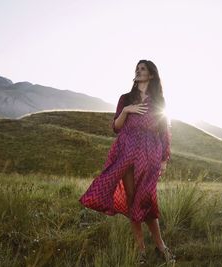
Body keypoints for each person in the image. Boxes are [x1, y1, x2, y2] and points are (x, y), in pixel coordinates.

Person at [79, 59, 175, 265]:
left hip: (150, 151)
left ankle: (161, 246)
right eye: (137, 69)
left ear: (151, 75)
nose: (138, 71)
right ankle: (140, 250)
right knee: (132, 198)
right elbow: (116, 127)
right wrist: (126, 110)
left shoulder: (159, 102)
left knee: (147, 198)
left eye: (143, 69)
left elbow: (164, 131)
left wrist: (165, 158)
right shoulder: (125, 98)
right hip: (127, 148)